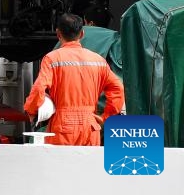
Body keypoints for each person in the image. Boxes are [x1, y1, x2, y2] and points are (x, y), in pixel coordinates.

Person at [24, 12, 125, 146]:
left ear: (58, 33)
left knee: (60, 160)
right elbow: (118, 89)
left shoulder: (52, 59)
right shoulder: (98, 60)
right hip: (90, 126)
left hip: (62, 127)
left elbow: (39, 88)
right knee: (88, 161)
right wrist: (106, 117)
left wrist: (31, 111)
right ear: (82, 34)